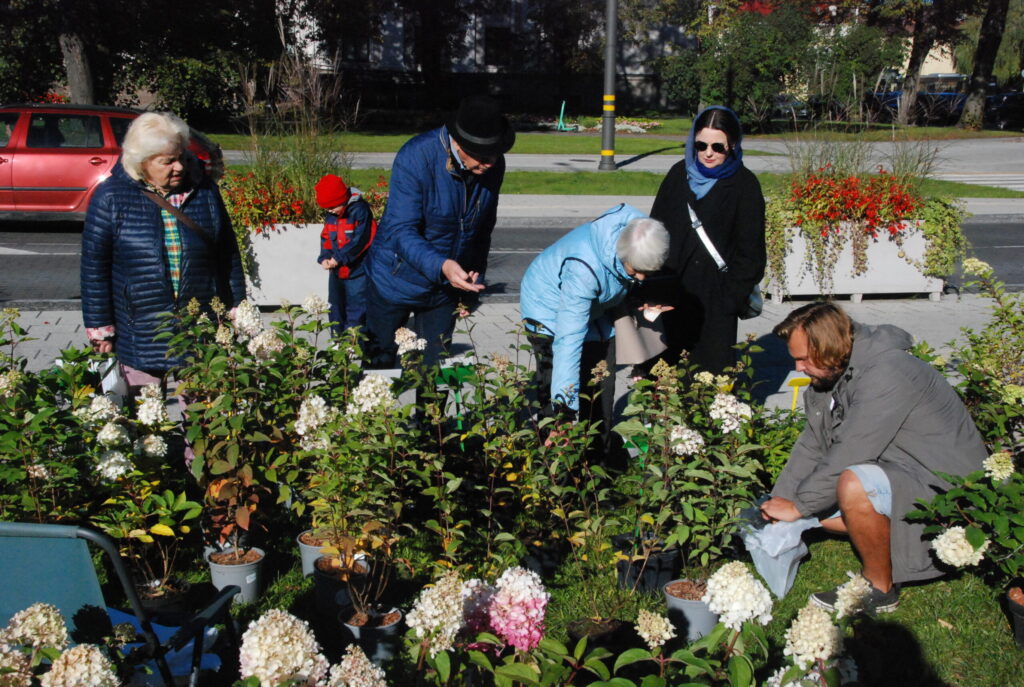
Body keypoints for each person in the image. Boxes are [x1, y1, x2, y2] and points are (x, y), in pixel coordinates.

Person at [759, 302, 987, 613]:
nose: (797, 368)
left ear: (830, 349)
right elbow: (813, 443)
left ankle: (879, 587)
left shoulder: (888, 373)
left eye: (803, 359)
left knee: (851, 486)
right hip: (903, 469)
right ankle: (885, 533)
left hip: (948, 489)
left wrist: (799, 507)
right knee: (818, 512)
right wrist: (780, 500)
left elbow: (850, 451)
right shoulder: (834, 375)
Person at [81, 112, 245, 393]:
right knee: (148, 420)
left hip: (199, 326)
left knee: (203, 419)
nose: (179, 166)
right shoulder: (110, 198)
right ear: (141, 163)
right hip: (141, 331)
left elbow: (227, 253)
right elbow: (95, 268)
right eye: (167, 161)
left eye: (181, 156)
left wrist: (238, 306)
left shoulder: (205, 193)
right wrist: (100, 328)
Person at [364, 95, 514, 367]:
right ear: (459, 143)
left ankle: (432, 412)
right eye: (482, 156)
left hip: (445, 287)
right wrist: (442, 265)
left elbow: (483, 227)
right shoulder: (415, 157)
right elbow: (401, 230)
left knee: (436, 370)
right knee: (379, 367)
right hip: (394, 279)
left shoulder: (492, 164)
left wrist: (471, 286)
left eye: (496, 154)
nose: (490, 163)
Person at [520, 204, 670, 460]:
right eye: (635, 271)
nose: (642, 278)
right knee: (558, 381)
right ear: (622, 255)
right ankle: (556, 466)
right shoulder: (583, 269)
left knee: (602, 383)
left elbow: (643, 275)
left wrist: (645, 294)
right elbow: (567, 343)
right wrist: (565, 412)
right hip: (549, 310)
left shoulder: (644, 233)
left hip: (599, 308)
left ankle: (598, 464)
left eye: (649, 272)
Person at [640, 106, 766, 373]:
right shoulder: (678, 174)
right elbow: (654, 231)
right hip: (671, 297)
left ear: (732, 145)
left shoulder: (745, 186)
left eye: (718, 147)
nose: (708, 153)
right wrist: (652, 288)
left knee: (708, 382)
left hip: (714, 305)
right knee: (664, 382)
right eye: (701, 145)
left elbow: (751, 254)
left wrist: (729, 299)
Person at [315, 173, 376, 336]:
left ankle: (354, 340)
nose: (329, 211)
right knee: (335, 306)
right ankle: (337, 337)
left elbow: (361, 240)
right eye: (327, 209)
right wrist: (325, 257)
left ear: (342, 200)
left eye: (332, 207)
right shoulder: (331, 216)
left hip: (357, 271)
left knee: (357, 308)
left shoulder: (360, 211)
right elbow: (326, 237)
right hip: (336, 272)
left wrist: (339, 258)